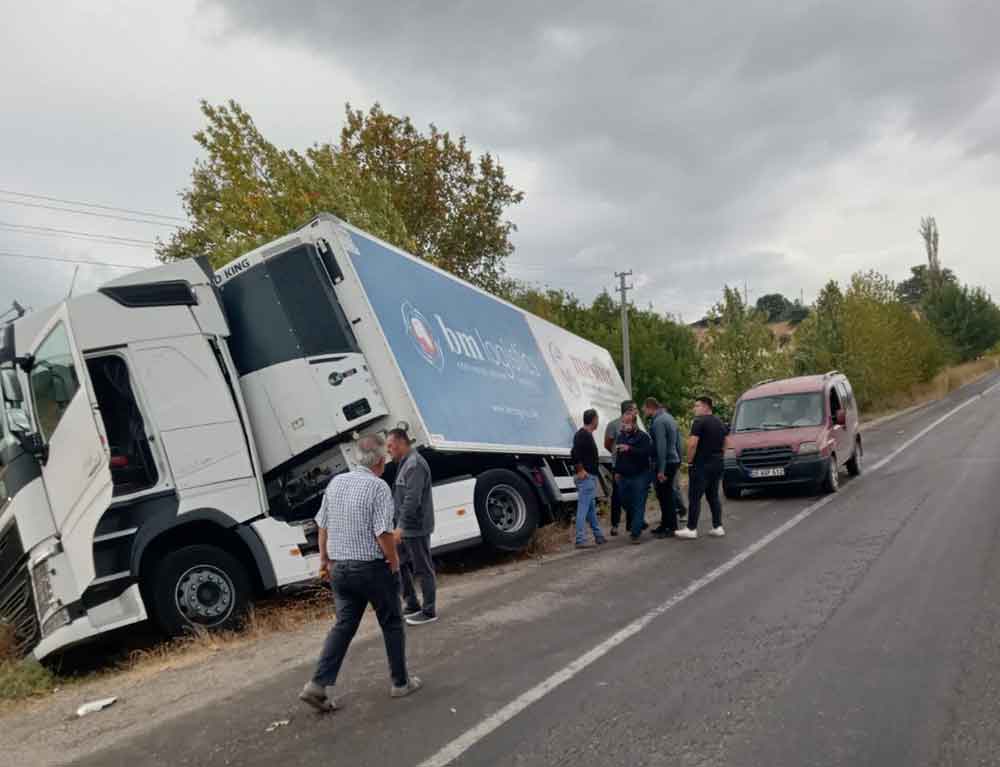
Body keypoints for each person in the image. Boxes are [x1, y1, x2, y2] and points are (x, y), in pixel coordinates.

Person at [300, 434, 422, 712]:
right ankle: (400, 683)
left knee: (343, 626)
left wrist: (324, 561)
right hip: (371, 569)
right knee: (391, 623)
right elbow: (382, 532)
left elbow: (323, 526)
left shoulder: (336, 482)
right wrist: (393, 563)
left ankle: (317, 685)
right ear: (380, 461)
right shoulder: (378, 487)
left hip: (340, 569)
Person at [387, 428, 437, 626]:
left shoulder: (415, 465)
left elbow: (412, 500)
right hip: (404, 527)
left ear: (400, 443)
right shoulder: (405, 463)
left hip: (415, 527)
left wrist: (400, 527)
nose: (388, 450)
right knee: (399, 565)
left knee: (423, 568)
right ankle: (412, 603)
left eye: (390, 446)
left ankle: (429, 610)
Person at [677, 396, 728, 540]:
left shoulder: (699, 422)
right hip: (717, 463)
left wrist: (689, 461)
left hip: (701, 465)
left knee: (694, 497)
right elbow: (726, 441)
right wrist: (719, 455)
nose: (695, 408)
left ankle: (691, 528)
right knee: (713, 496)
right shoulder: (720, 422)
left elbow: (692, 444)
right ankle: (718, 526)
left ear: (706, 407)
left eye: (697, 406)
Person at [643, 397, 682, 538]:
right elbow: (678, 441)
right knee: (664, 494)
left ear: (649, 407)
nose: (643, 411)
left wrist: (661, 469)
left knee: (666, 496)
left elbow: (661, 446)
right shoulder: (669, 417)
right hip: (673, 460)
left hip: (665, 462)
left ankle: (671, 527)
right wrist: (679, 459)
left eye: (644, 409)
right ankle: (665, 524)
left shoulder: (659, 422)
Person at [613, 410, 653, 544]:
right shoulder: (621, 436)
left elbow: (646, 453)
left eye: (628, 422)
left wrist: (629, 449)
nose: (625, 425)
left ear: (634, 423)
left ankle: (635, 534)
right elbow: (618, 455)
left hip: (640, 475)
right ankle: (639, 521)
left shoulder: (644, 437)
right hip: (623, 475)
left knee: (639, 503)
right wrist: (617, 471)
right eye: (623, 422)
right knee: (624, 501)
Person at [571, 409, 606, 548]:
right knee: (583, 508)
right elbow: (574, 453)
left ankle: (599, 536)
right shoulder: (582, 435)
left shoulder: (586, 435)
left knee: (590, 509)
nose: (598, 422)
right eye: (597, 419)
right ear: (594, 420)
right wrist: (580, 470)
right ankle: (580, 539)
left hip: (590, 477)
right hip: (586, 477)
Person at [604, 399, 638, 535]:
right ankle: (615, 525)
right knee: (617, 496)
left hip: (631, 466)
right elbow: (607, 444)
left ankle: (630, 525)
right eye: (635, 409)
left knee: (631, 495)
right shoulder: (613, 425)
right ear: (628, 410)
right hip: (617, 466)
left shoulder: (635, 426)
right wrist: (615, 454)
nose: (636, 412)